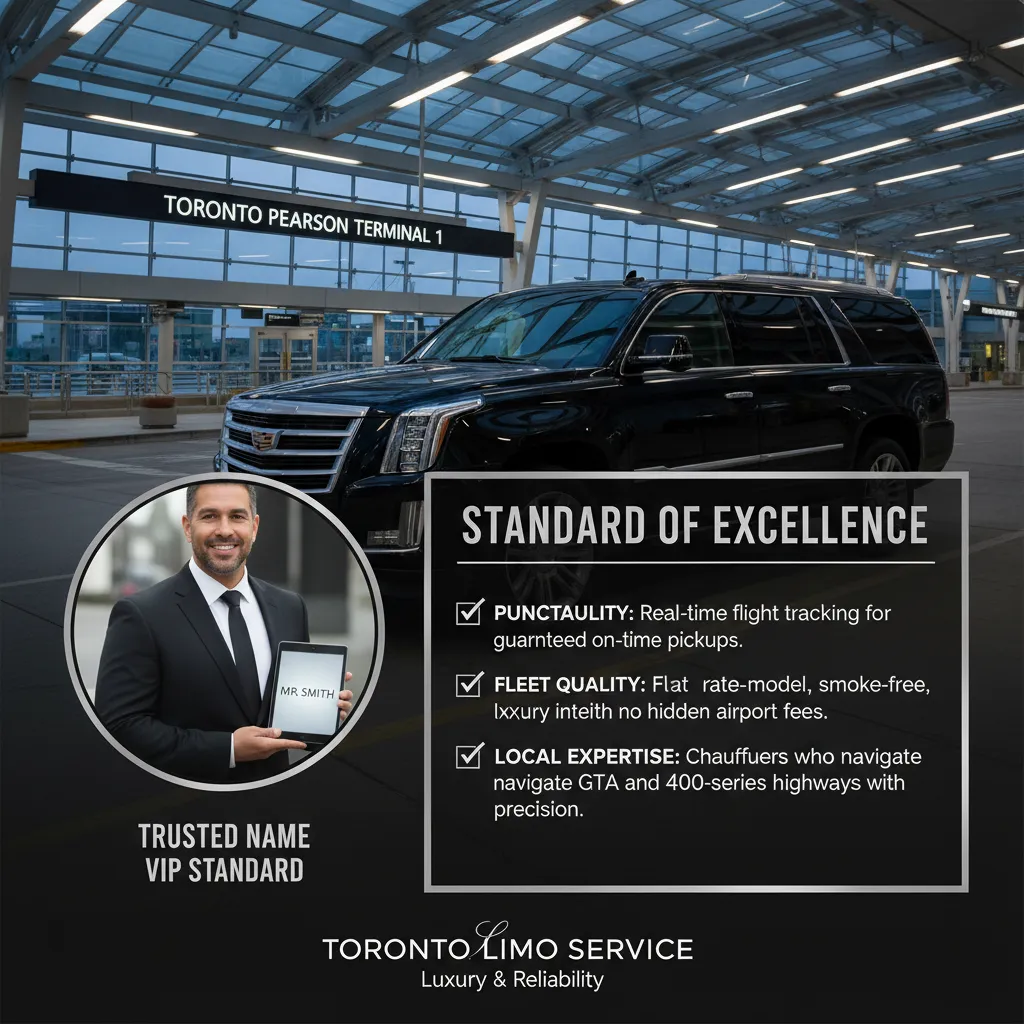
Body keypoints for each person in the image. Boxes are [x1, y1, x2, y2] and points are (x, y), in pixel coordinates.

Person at [95, 482, 354, 784]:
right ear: (188, 527)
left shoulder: (289, 606)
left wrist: (320, 712)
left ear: (254, 527)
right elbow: (120, 726)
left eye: (237, 516)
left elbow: (288, 714)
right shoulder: (141, 613)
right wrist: (228, 749)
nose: (224, 530)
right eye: (209, 516)